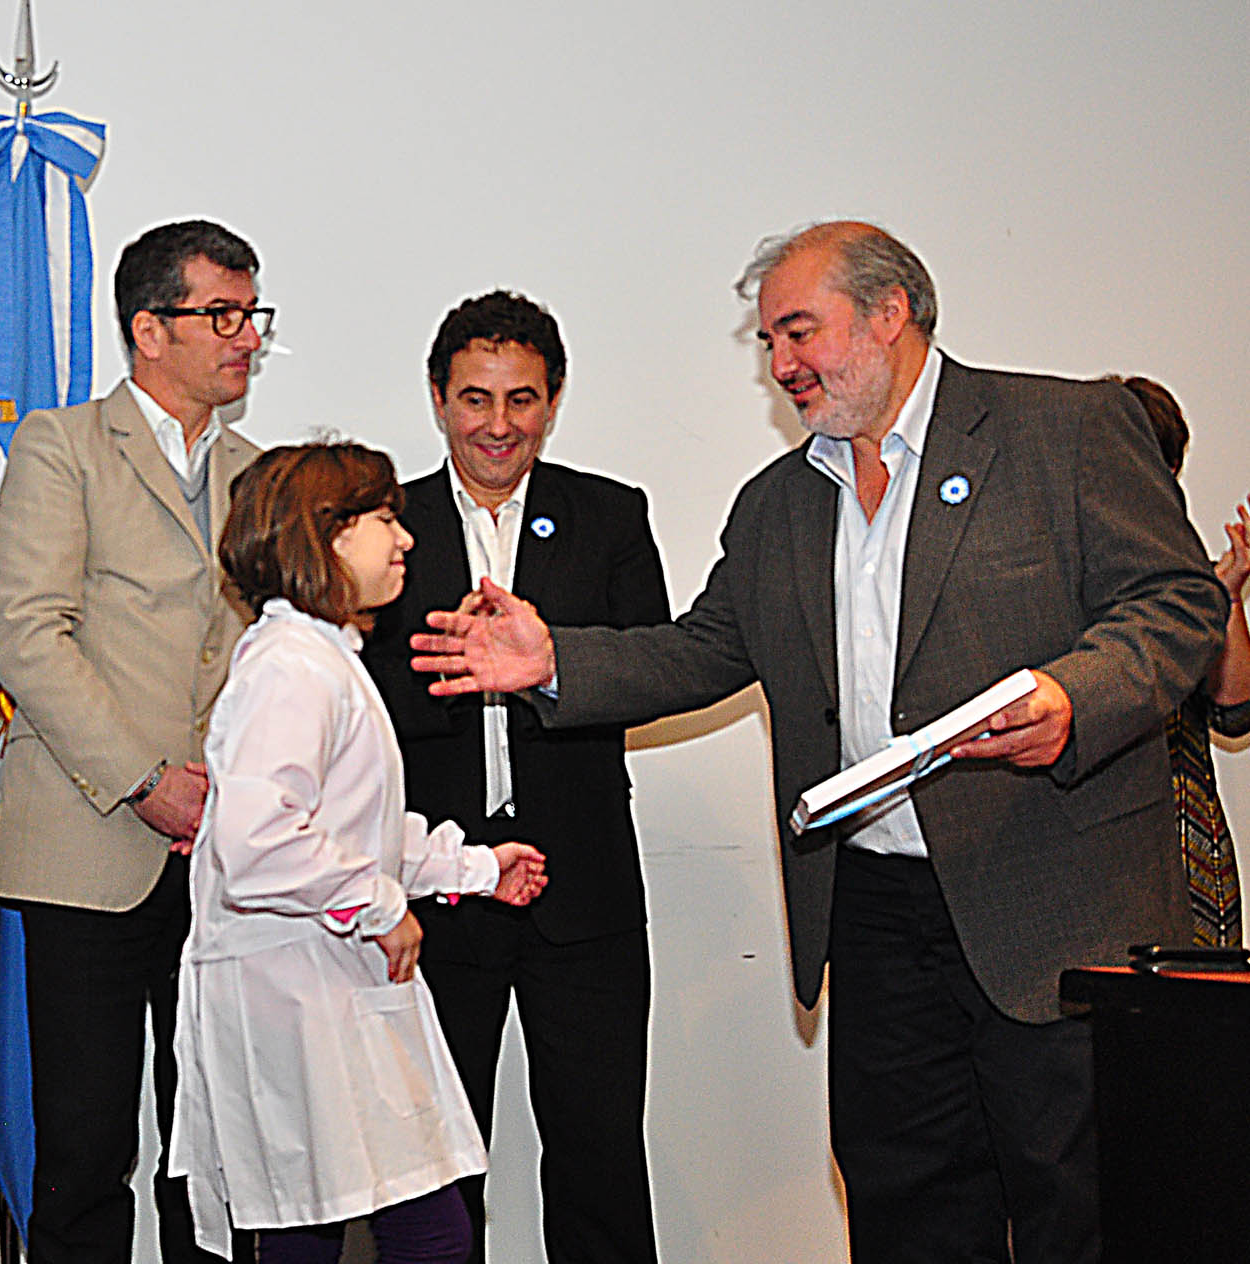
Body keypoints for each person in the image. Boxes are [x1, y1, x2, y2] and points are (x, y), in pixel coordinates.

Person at [411, 221, 1229, 1263]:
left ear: (890, 313)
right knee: (906, 1204)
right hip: (874, 911)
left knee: (1081, 1207)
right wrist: (554, 661)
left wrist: (1076, 694)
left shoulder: (1062, 430)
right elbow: (706, 649)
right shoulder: (780, 502)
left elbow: (1177, 602)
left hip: (1048, 902)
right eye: (770, 343)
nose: (782, 364)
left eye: (799, 332)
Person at [170, 441, 547, 1263]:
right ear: (325, 535)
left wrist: (478, 868)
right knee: (395, 1230)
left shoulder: (322, 659)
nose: (404, 539)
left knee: (339, 1222)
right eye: (383, 519)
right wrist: (378, 908)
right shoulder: (290, 669)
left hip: (322, 986)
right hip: (295, 993)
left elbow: (355, 829)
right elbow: (255, 843)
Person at [361, 291, 666, 1263]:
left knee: (600, 1158)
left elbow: (650, 676)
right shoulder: (384, 527)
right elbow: (354, 704)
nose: (498, 425)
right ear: (438, 398)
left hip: (583, 889)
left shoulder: (611, 516)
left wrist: (545, 664)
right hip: (432, 892)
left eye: (522, 399)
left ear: (554, 400)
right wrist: (455, 669)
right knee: (431, 1173)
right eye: (475, 398)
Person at [0, 219, 267, 1263]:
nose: (247, 339)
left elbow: (267, 653)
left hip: (221, 858)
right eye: (222, 316)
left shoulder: (258, 472)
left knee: (214, 1150)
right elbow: (30, 637)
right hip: (89, 843)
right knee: (85, 1149)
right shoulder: (61, 447)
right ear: (150, 329)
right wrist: (148, 781)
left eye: (253, 316)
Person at [1111, 375, 1250, 946]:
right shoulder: (1056, 561)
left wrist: (1227, 596)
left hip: (1189, 843)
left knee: (1200, 999)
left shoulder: (1185, 570)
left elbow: (1235, 714)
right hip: (1097, 844)